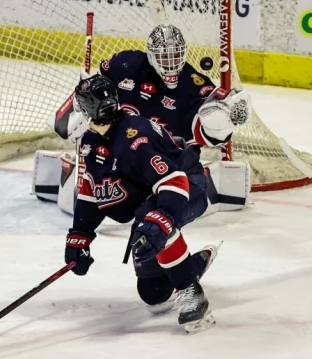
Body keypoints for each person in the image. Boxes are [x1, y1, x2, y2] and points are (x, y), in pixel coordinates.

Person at [33, 24, 252, 216]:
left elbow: (210, 134)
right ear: (151, 54)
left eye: (176, 56)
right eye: (164, 56)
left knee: (175, 196)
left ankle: (194, 181)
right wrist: (78, 109)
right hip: (123, 156)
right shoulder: (126, 64)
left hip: (167, 161)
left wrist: (225, 118)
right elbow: (95, 89)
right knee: (89, 133)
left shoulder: (193, 84)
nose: (170, 63)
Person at [64, 73, 219, 334]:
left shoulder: (135, 137)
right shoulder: (90, 139)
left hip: (187, 187)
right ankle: (193, 264)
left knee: (153, 220)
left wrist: (161, 221)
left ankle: (192, 292)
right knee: (154, 295)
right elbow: (92, 188)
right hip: (156, 195)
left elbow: (173, 183)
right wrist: (79, 236)